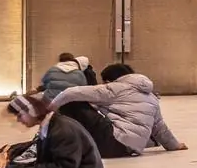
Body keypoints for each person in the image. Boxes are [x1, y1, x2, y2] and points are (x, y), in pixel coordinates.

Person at [48, 62, 188, 158]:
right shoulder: (150, 96)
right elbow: (159, 127)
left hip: (112, 141)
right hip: (129, 149)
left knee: (72, 103)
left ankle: (56, 141)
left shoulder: (114, 88)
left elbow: (70, 92)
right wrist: (174, 145)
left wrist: (48, 111)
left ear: (110, 80)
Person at [2, 92, 105, 168]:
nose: (18, 120)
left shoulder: (62, 130)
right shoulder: (51, 126)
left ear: (32, 111)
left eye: (20, 115)